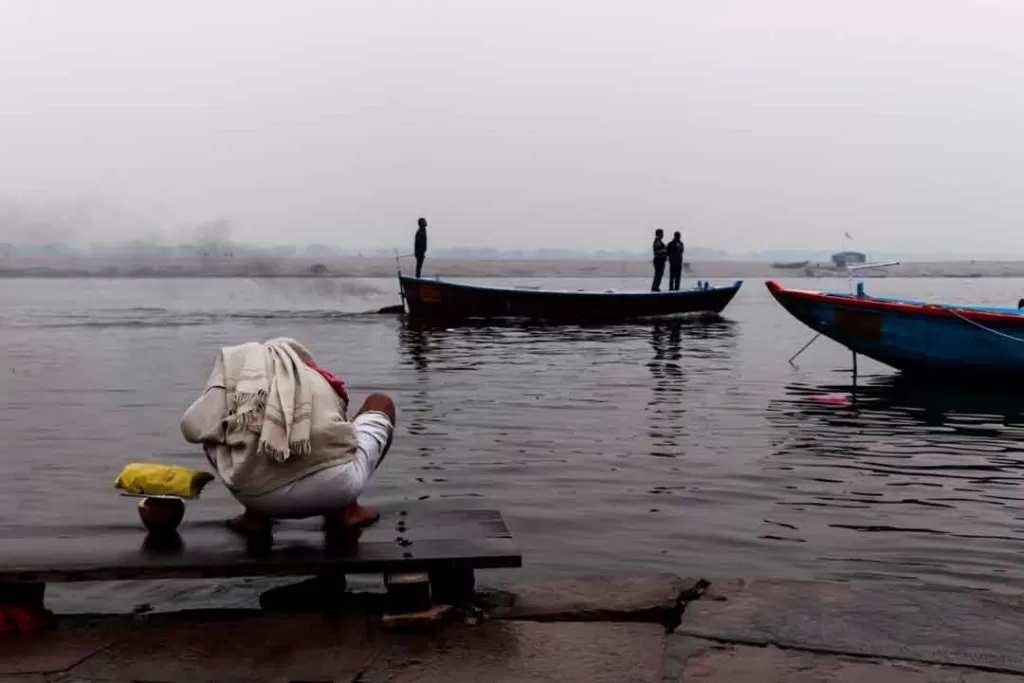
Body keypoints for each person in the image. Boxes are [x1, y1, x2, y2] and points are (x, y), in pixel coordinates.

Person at [180, 337, 395, 540]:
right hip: (336, 489)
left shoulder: (237, 384)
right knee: (380, 402)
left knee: (212, 426)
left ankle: (255, 517)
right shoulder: (317, 378)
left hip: (258, 495)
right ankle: (348, 510)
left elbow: (192, 426)